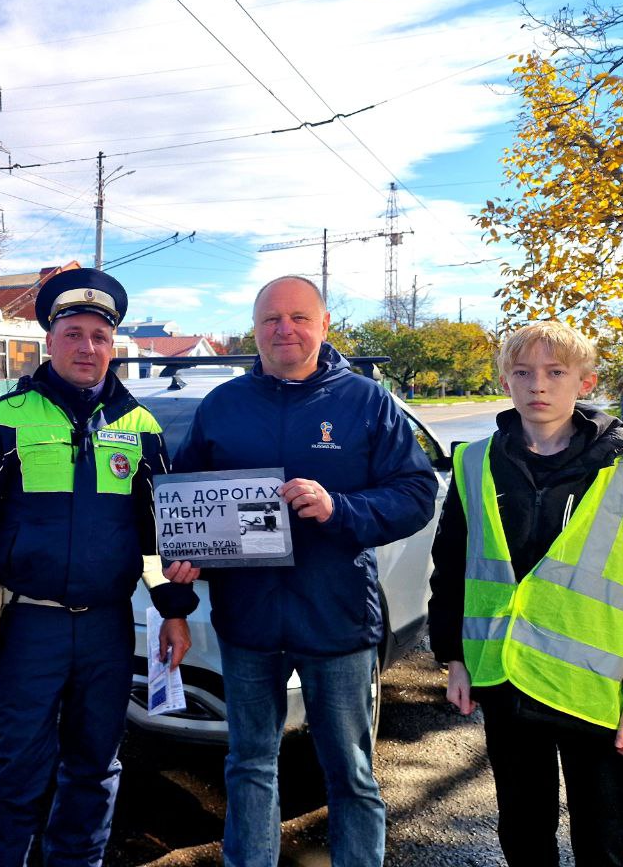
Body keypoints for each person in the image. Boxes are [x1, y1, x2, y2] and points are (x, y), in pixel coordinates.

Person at [0, 267, 199, 867]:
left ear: (113, 345)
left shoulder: (141, 427)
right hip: (33, 626)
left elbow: (155, 533)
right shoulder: (9, 419)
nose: (87, 347)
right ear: (49, 342)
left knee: (95, 768)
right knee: (15, 770)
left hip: (108, 627)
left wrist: (173, 612)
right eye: (73, 334)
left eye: (99, 337)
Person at [173, 275, 437, 867]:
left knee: (350, 771)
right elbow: (185, 499)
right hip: (248, 622)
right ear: (255, 329)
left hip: (336, 617)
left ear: (322, 325)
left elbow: (417, 493)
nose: (283, 329)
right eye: (270, 319)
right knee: (248, 765)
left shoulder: (365, 402)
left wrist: (340, 508)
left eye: (298, 317)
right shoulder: (223, 405)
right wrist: (184, 553)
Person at [429, 320, 623, 867]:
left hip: (594, 692)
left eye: (556, 372)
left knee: (602, 844)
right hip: (506, 683)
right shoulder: (475, 463)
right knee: (524, 834)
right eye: (524, 372)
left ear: (585, 382)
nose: (539, 385)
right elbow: (452, 568)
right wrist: (454, 659)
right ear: (506, 381)